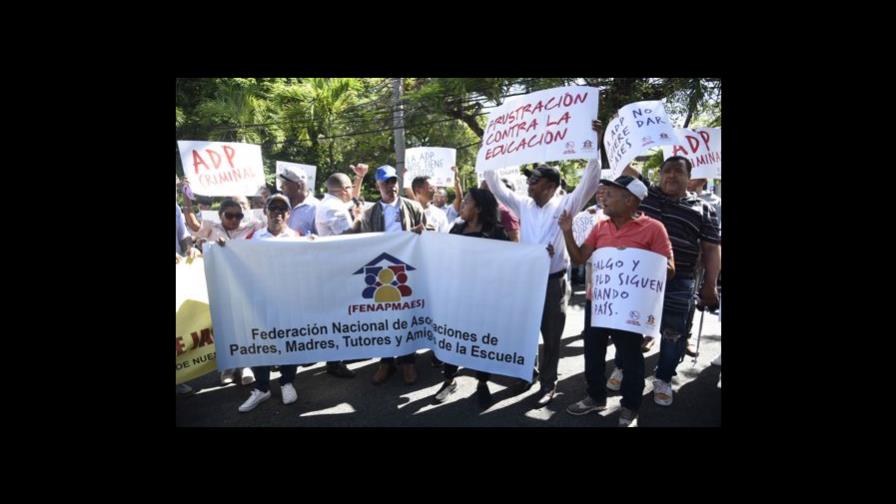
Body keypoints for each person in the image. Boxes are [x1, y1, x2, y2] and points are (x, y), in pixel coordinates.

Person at [484, 120, 603, 407]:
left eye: (534, 179)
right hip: (526, 284)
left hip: (552, 283)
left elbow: (590, 180)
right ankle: (526, 375)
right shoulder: (523, 204)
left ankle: (548, 383)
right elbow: (495, 185)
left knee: (551, 338)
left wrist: (596, 143)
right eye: (529, 179)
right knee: (524, 333)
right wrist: (490, 149)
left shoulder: (565, 205)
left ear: (550, 185)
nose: (529, 183)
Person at [559, 175, 674, 427]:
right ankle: (595, 397)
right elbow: (579, 258)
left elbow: (670, 268)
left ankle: (630, 407)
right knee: (593, 353)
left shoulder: (654, 228)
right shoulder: (600, 226)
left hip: (630, 309)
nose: (604, 198)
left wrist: (637, 262)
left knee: (630, 357)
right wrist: (567, 231)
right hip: (598, 303)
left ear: (629, 199)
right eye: (603, 193)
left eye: (610, 194)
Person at [622, 157, 720, 407]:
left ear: (689, 177)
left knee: (673, 334)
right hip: (637, 278)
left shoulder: (703, 208)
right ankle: (623, 367)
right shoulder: (643, 195)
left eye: (679, 172)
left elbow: (710, 248)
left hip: (680, 281)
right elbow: (623, 166)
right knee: (629, 327)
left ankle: (664, 378)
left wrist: (710, 285)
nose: (672, 176)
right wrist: (599, 139)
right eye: (667, 171)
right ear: (659, 174)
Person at [431, 188, 510, 409]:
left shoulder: (495, 232)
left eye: (466, 202)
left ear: (479, 208)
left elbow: (511, 261)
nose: (461, 205)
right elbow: (444, 255)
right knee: (454, 337)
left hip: (485, 299)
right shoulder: (456, 228)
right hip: (458, 297)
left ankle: (482, 383)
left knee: (481, 339)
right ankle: (448, 380)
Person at [349, 165, 426, 385]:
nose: (391, 186)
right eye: (386, 182)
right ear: (378, 185)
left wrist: (420, 234)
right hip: (380, 269)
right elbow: (359, 238)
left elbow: (427, 235)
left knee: (405, 315)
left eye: (393, 181)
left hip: (406, 269)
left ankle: (408, 361)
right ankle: (385, 361)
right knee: (382, 314)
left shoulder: (413, 207)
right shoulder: (370, 213)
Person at [234, 194, 304, 412]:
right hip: (260, 302)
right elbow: (236, 260)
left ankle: (287, 381)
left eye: (283, 209)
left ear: (289, 214)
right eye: (273, 208)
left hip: (288, 301)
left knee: (289, 341)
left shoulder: (297, 237)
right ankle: (262, 387)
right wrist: (221, 248)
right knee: (260, 342)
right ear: (265, 211)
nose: (278, 213)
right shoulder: (253, 238)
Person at [280, 168, 318, 236]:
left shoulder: (316, 208)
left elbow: (320, 240)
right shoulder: (282, 203)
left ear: (298, 186)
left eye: (284, 184)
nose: (281, 187)